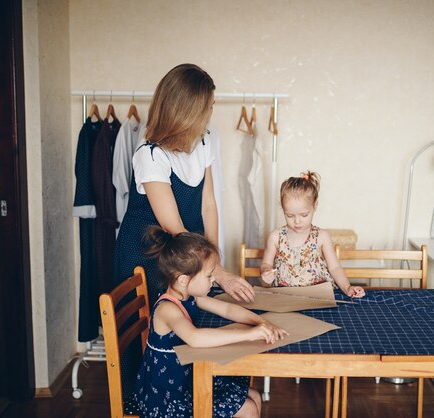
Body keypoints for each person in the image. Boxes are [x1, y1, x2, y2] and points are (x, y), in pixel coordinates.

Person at [113, 63, 254, 302]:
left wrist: (214, 263)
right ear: (189, 113)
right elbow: (175, 229)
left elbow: (208, 205)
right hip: (149, 257)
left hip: (190, 258)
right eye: (208, 107)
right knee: (158, 330)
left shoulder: (203, 141)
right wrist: (217, 273)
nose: (210, 113)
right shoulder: (150, 155)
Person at [135, 228, 288, 417]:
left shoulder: (188, 295)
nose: (214, 280)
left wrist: (261, 321)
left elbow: (227, 309)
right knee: (248, 409)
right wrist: (250, 333)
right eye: (209, 275)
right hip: (168, 396)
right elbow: (195, 338)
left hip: (186, 380)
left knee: (255, 396)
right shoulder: (167, 308)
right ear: (184, 279)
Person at [260, 171, 366, 298]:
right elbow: (266, 264)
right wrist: (266, 272)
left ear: (315, 206)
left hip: (318, 296)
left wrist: (347, 287)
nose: (297, 221)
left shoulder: (322, 236)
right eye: (290, 216)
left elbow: (334, 268)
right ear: (283, 209)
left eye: (304, 215)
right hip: (285, 296)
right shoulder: (275, 237)